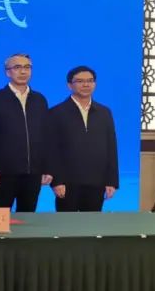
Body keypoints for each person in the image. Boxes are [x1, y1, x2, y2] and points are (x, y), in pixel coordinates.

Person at [0, 53, 50, 212]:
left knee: (28, 216)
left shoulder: (40, 100)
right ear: (8, 72)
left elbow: (46, 136)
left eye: (27, 67)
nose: (23, 71)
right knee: (1, 216)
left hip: (33, 172)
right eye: (17, 67)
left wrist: (47, 167)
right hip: (4, 172)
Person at [47, 66, 119, 212]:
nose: (86, 85)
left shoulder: (104, 112)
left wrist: (112, 181)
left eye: (90, 81)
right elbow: (51, 151)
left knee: (92, 224)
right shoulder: (56, 113)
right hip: (67, 183)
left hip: (97, 182)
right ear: (69, 85)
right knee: (66, 223)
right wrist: (57, 181)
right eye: (80, 81)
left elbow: (111, 147)